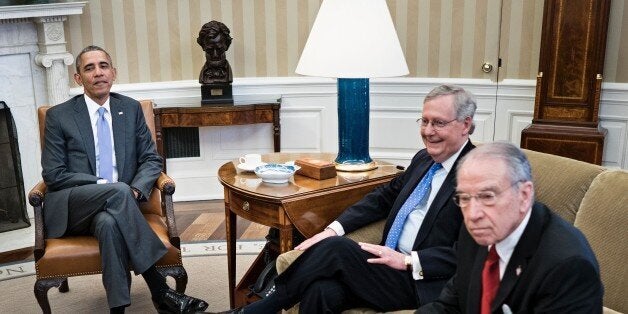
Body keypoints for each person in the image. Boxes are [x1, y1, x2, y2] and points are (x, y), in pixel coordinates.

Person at [212, 84, 478, 313]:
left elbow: (471, 254)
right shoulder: (424, 160)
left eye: (438, 123)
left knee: (338, 249)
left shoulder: (478, 174)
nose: (428, 131)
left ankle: (258, 310)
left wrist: (408, 261)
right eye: (424, 121)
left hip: (420, 281)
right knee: (321, 291)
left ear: (466, 125)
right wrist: (333, 229)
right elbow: (383, 197)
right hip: (384, 265)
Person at [41, 45, 208, 314]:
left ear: (113, 73)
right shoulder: (59, 116)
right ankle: (161, 290)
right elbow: (53, 174)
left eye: (103, 66)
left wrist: (134, 190)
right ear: (78, 78)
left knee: (108, 224)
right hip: (73, 206)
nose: (98, 73)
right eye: (89, 68)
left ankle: (117, 309)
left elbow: (152, 160)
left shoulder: (129, 109)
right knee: (116, 190)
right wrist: (110, 188)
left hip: (118, 206)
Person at [418, 142, 603, 313]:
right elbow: (449, 307)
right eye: (464, 198)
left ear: (524, 195)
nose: (473, 214)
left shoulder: (568, 268)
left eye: (488, 197)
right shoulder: (476, 232)